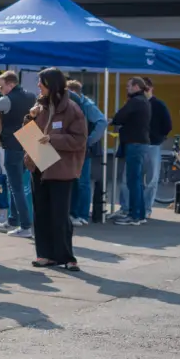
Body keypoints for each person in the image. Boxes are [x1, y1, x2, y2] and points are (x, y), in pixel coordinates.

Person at [25, 68, 87, 272]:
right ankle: (45, 255)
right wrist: (29, 118)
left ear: (51, 85)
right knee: (40, 212)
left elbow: (79, 140)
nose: (38, 87)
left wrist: (53, 139)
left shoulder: (72, 109)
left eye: (41, 83)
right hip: (39, 165)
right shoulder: (39, 106)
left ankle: (67, 256)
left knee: (60, 215)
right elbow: (29, 132)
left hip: (60, 169)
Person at [0, 71, 36, 238]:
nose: (0, 89)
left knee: (16, 187)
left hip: (13, 144)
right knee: (19, 185)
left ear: (11, 84)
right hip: (29, 142)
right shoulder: (31, 96)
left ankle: (25, 225)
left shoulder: (8, 99)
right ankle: (13, 220)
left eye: (1, 86)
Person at [110, 77, 152, 226]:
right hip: (141, 143)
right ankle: (139, 214)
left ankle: (134, 215)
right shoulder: (144, 100)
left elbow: (118, 117)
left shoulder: (135, 101)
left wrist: (115, 119)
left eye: (128, 86)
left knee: (133, 180)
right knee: (137, 181)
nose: (126, 88)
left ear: (136, 86)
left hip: (134, 143)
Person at [66, 80, 107, 226]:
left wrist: (89, 140)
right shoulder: (78, 104)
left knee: (82, 182)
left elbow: (102, 122)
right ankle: (73, 213)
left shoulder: (87, 105)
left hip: (83, 149)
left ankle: (82, 214)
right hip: (73, 148)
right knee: (75, 182)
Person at [144, 77, 173, 216]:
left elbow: (167, 125)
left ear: (151, 88)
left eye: (146, 88)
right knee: (136, 179)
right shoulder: (137, 103)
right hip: (139, 144)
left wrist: (159, 137)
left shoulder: (158, 105)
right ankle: (137, 208)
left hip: (153, 144)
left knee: (152, 179)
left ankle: (147, 208)